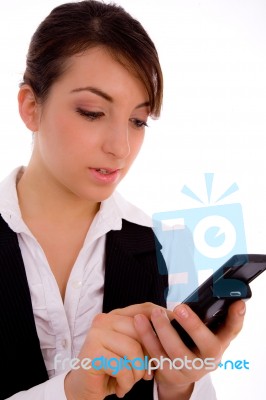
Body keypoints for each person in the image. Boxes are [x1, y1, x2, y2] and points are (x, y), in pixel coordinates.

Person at [0, 1, 246, 399]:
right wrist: (72, 391)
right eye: (93, 112)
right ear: (31, 107)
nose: (121, 147)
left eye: (138, 120)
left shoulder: (169, 246)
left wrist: (179, 385)